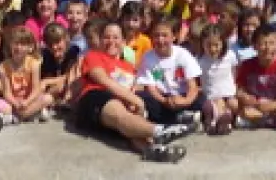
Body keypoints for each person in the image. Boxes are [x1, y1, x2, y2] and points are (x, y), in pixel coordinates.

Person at [73, 21, 195, 162]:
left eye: (116, 37)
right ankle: (160, 130)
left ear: (124, 42)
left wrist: (137, 98)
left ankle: (151, 149)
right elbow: (103, 80)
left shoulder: (130, 67)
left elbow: (146, 83)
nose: (111, 41)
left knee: (132, 118)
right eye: (107, 37)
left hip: (116, 112)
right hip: (95, 98)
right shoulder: (94, 56)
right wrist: (134, 99)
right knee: (119, 110)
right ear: (101, 40)